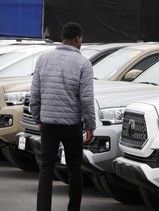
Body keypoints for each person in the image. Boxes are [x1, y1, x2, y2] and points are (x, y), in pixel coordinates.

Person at [30, 22, 96, 211]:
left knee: (46, 168)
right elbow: (85, 99)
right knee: (75, 169)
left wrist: (38, 119)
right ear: (77, 38)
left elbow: (35, 94)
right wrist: (90, 125)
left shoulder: (43, 59)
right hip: (72, 124)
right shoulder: (83, 63)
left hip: (48, 124)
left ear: (62, 38)